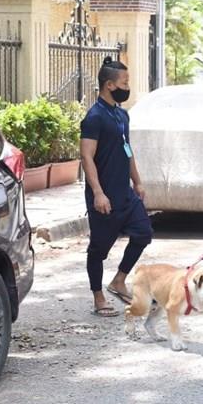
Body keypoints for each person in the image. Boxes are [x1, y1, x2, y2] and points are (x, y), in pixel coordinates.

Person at [80, 57, 153, 317]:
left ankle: (119, 280)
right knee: (98, 250)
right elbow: (86, 156)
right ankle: (98, 296)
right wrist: (98, 193)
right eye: (124, 82)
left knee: (143, 233)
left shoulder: (122, 115)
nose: (127, 87)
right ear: (109, 85)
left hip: (125, 193)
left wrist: (138, 181)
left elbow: (127, 149)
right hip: (104, 196)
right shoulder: (94, 117)